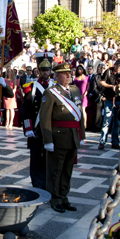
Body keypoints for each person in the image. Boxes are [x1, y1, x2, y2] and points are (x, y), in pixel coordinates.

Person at [39, 62, 86, 213]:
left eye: (69, 73)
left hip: (73, 136)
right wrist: (48, 140)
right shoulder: (51, 92)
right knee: (55, 170)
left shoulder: (75, 90)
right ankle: (55, 198)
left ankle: (64, 197)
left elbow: (80, 115)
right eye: (65, 74)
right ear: (57, 76)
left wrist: (82, 134)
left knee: (67, 170)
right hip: (58, 137)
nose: (68, 76)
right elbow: (44, 117)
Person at [21, 53, 55, 189]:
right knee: (36, 160)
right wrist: (28, 128)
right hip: (36, 129)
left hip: (51, 129)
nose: (45, 72)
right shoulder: (32, 87)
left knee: (50, 160)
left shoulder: (55, 86)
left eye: (47, 70)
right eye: (43, 70)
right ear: (39, 71)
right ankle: (38, 186)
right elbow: (26, 110)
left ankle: (48, 185)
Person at [98, 59, 120, 150]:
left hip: (119, 99)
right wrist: (111, 86)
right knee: (106, 121)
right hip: (109, 99)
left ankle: (115, 142)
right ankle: (102, 141)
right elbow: (101, 82)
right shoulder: (109, 72)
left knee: (117, 122)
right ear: (116, 65)